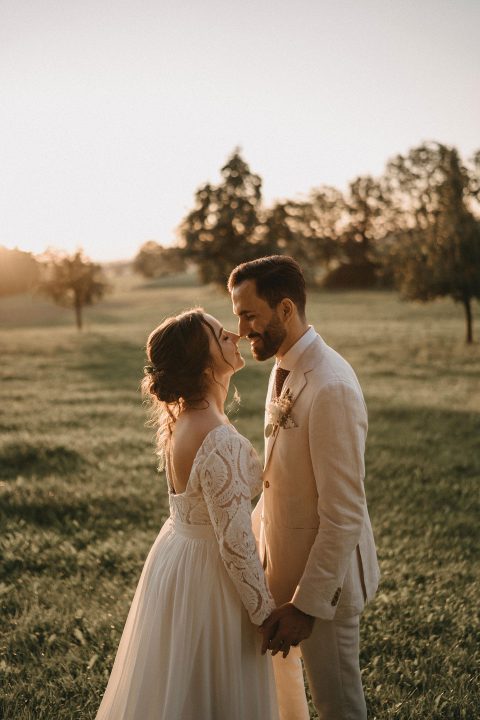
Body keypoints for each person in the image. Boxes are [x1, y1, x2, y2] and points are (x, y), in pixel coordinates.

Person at [95, 308, 279, 720]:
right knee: (212, 690)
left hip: (177, 558)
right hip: (211, 576)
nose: (234, 334)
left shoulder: (184, 420)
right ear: (203, 362)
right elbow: (235, 543)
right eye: (220, 334)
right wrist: (265, 614)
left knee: (179, 687)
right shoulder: (216, 436)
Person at [228, 256, 380, 720]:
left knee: (340, 707)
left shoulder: (330, 385)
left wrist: (306, 606)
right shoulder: (285, 367)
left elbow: (344, 512)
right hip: (281, 574)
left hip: (322, 592)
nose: (241, 328)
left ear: (286, 309)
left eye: (249, 314)